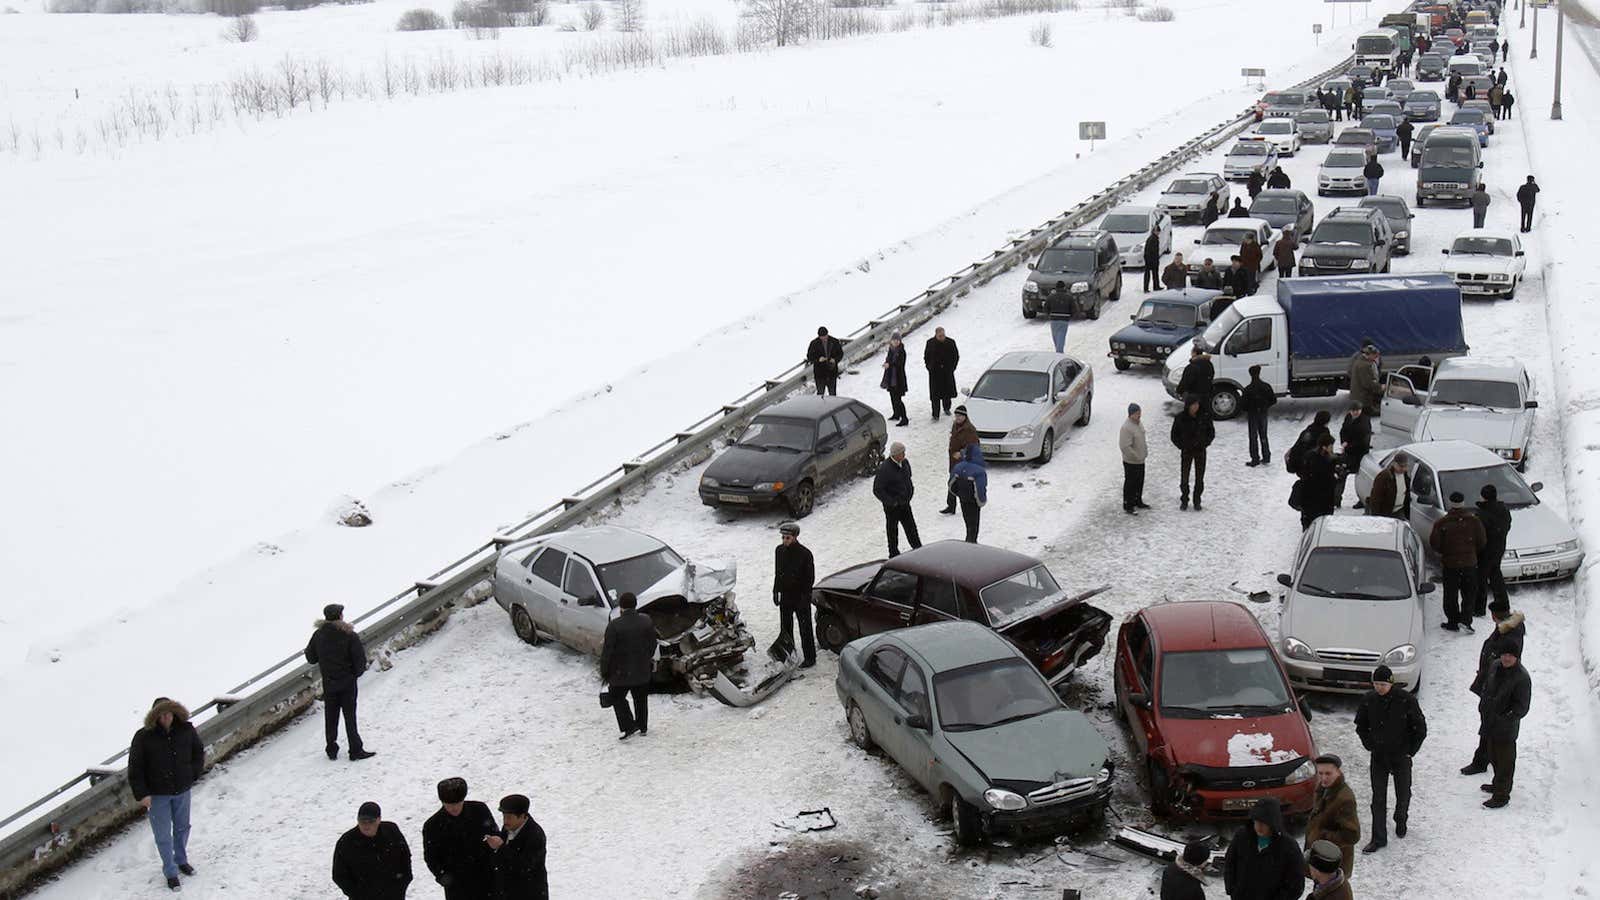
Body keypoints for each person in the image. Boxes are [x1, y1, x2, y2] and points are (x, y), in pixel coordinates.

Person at [129, 697, 205, 892]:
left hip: (182, 790)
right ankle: (170, 872)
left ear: (174, 713)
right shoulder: (143, 737)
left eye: (169, 713)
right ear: (155, 716)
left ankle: (181, 860)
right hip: (157, 795)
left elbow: (198, 752)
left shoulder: (186, 730)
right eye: (161, 715)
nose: (166, 718)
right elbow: (135, 768)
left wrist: (193, 773)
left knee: (182, 827)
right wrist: (142, 794)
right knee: (163, 835)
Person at [1354, 665, 1427, 852]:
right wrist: (1369, 744)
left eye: (1383, 684)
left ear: (1391, 683)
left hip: (1401, 755)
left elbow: (1420, 728)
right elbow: (1361, 726)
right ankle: (1378, 838)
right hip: (1378, 757)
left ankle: (1401, 817)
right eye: (1376, 684)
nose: (1379, 688)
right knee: (1378, 797)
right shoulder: (1369, 700)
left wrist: (1411, 751)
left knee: (1403, 792)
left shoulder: (1406, 700)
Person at [306, 603, 374, 762]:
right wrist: (355, 674)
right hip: (347, 683)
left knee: (331, 717)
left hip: (329, 683)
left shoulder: (318, 635)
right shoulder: (349, 634)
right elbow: (359, 660)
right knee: (350, 717)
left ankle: (331, 749)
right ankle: (355, 750)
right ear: (339, 616)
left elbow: (310, 657)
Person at [1465, 600, 1528, 771]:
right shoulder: (1507, 629)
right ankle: (1485, 761)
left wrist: (1488, 675)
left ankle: (1485, 763)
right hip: (1494, 683)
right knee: (1488, 723)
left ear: (1494, 615)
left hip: (1498, 685)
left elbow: (1498, 659)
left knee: (1490, 724)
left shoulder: (1507, 633)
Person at [1476, 641, 1531, 809]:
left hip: (1506, 728)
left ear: (1516, 657)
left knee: (1505, 761)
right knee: (1493, 756)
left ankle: (1501, 795)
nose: (1506, 658)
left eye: (1510, 655)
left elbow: (1521, 707)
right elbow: (1487, 687)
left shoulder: (1521, 678)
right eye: (1504, 654)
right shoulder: (1495, 666)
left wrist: (1505, 718)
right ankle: (1497, 785)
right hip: (1490, 723)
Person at [423, 778, 498, 900]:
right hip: (458, 886)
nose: (454, 808)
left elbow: (494, 832)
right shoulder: (433, 825)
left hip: (487, 877)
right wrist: (444, 878)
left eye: (458, 803)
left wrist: (495, 841)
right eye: (449, 805)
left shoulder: (479, 810)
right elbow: (431, 857)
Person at [1221, 798, 1305, 900]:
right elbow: (1230, 863)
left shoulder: (1288, 846)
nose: (1259, 826)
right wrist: (1232, 889)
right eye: (1256, 821)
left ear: (1273, 823)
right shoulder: (1242, 836)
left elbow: (1296, 883)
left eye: (1264, 822)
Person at [600, 591, 657, 740]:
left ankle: (628, 726)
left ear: (621, 607)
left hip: (620, 672)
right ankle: (642, 726)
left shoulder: (614, 626)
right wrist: (646, 658)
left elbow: (607, 651)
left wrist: (605, 671)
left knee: (617, 698)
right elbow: (653, 643)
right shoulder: (646, 621)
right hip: (642, 669)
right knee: (640, 699)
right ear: (635, 605)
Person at [332, 802, 413, 900]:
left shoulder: (392, 831)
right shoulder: (346, 842)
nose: (366, 825)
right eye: (362, 821)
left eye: (371, 821)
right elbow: (339, 875)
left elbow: (405, 856)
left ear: (379, 820)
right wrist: (358, 894)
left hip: (394, 894)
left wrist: (403, 882)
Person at [1430, 492, 1486, 631]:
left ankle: (1453, 621)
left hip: (1450, 564)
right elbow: (1482, 541)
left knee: (1450, 594)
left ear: (1450, 503)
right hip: (1469, 563)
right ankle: (1466, 620)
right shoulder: (1474, 521)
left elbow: (1435, 543)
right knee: (1469, 593)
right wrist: (1471, 552)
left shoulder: (1442, 523)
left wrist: (1447, 552)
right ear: (1463, 503)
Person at [1305, 755, 1360, 878]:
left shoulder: (1344, 799)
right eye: (1320, 773)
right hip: (1321, 862)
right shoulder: (1323, 789)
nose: (1323, 778)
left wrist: (1322, 837)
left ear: (1338, 772)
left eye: (1328, 773)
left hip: (1333, 865)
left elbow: (1352, 835)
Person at [772, 521, 817, 668]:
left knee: (805, 628)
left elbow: (809, 578)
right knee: (785, 627)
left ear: (795, 537)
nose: (785, 541)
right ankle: (788, 654)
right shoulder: (779, 551)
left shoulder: (805, 554)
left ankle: (810, 657)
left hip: (800, 597)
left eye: (788, 538)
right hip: (786, 595)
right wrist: (775, 590)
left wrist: (805, 597)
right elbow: (778, 573)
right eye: (783, 538)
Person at [489, 794, 548, 900]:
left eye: (509, 817)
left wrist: (501, 848)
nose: (505, 821)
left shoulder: (535, 835)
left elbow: (525, 867)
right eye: (504, 816)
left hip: (528, 893)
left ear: (522, 816)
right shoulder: (508, 827)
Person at [873, 443, 920, 557]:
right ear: (895, 454)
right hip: (892, 507)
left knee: (911, 528)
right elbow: (877, 489)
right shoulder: (884, 469)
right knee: (892, 530)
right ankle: (893, 553)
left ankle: (918, 549)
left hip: (905, 503)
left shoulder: (905, 463)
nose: (904, 455)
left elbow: (908, 478)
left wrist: (910, 492)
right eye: (902, 453)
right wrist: (891, 502)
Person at [1170, 397, 1214, 512]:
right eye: (1193, 405)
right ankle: (1184, 499)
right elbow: (1174, 435)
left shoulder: (1205, 416)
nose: (1196, 407)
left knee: (1200, 478)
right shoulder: (1180, 418)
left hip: (1200, 450)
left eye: (1197, 404)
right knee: (1184, 478)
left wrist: (1204, 443)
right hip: (1187, 451)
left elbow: (1211, 433)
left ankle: (1197, 500)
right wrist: (1182, 445)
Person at [1476, 484, 1512, 613]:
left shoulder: (1482, 513)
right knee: (1495, 573)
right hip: (1499, 547)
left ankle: (1479, 607)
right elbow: (1507, 526)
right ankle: (1502, 601)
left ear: (1483, 496)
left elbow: (1479, 533)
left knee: (1481, 577)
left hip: (1485, 550)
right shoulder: (1503, 509)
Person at [941, 405, 979, 515]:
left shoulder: (969, 429)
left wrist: (961, 453)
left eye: (960, 416)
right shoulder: (955, 425)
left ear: (965, 417)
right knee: (952, 483)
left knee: (964, 484)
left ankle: (971, 502)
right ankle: (951, 506)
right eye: (956, 416)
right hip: (954, 461)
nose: (957, 418)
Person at [1296, 434, 1340, 530]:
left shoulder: (1310, 456)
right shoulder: (1326, 461)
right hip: (1320, 498)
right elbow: (1327, 479)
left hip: (1310, 498)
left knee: (1310, 523)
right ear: (1324, 447)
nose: (1332, 448)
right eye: (1331, 446)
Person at [949, 444, 987, 543]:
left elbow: (951, 484)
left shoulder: (958, 467)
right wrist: (981, 501)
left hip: (963, 500)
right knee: (974, 526)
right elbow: (980, 488)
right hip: (973, 503)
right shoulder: (980, 471)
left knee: (968, 523)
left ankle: (969, 541)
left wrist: (959, 494)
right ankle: (972, 544)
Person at [1241, 364, 1275, 467]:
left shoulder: (1248, 389)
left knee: (1253, 436)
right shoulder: (1266, 386)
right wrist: (1265, 406)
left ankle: (1255, 458)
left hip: (1252, 414)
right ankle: (1266, 456)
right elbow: (1273, 400)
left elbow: (1243, 405)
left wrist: (1250, 408)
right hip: (1263, 412)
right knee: (1263, 435)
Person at [1338, 405, 1372, 507]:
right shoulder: (1348, 417)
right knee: (1341, 473)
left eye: (1357, 410)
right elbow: (1343, 431)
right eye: (1353, 410)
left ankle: (1363, 500)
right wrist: (1344, 442)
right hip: (1348, 452)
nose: (1355, 412)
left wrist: (1347, 446)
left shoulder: (1364, 422)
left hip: (1360, 454)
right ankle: (1336, 499)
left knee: (1362, 478)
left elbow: (1363, 442)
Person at [923, 327, 959, 421]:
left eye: (943, 335)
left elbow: (956, 356)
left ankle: (947, 408)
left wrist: (952, 367)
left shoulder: (950, 342)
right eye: (940, 336)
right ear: (936, 335)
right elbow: (926, 356)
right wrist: (929, 367)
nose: (942, 337)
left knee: (947, 392)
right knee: (935, 395)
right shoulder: (930, 343)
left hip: (947, 372)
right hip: (935, 373)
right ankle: (935, 414)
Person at [1120, 403, 1149, 515]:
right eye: (1137, 413)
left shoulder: (1138, 423)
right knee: (1130, 483)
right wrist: (1135, 456)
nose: (1139, 414)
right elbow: (1124, 446)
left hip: (1140, 460)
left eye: (1140, 412)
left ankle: (1138, 500)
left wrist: (1144, 452)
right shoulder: (1126, 428)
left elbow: (1142, 438)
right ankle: (1128, 504)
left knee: (1139, 482)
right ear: (1131, 414)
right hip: (1131, 461)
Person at [1365, 453, 1411, 519]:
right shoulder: (1384, 476)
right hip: (1385, 513)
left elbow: (1406, 494)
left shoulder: (1406, 476)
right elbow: (1376, 498)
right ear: (1394, 464)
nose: (1403, 469)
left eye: (1405, 466)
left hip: (1399, 511)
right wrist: (1376, 517)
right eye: (1401, 466)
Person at [1286, 410, 1332, 475]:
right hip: (1312, 468)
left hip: (1300, 466)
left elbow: (1297, 446)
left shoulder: (1307, 430)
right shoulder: (1324, 433)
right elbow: (1326, 451)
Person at [880, 332, 909, 426]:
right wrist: (886, 363)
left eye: (897, 340)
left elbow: (900, 364)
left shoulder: (902, 351)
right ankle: (896, 414)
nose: (896, 342)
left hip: (898, 379)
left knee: (898, 399)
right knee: (892, 397)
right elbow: (888, 359)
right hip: (890, 378)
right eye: (894, 340)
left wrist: (889, 364)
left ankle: (904, 418)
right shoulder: (891, 350)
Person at [806, 326, 844, 397]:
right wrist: (818, 360)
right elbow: (809, 356)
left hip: (832, 372)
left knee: (832, 394)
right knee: (820, 394)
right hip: (820, 373)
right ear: (819, 336)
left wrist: (835, 360)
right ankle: (821, 407)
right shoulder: (814, 343)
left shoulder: (834, 341)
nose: (824, 338)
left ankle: (833, 407)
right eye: (822, 337)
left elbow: (840, 353)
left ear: (827, 334)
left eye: (825, 336)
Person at [1347, 344, 1381, 416]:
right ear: (1370, 354)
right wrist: (1380, 387)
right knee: (1364, 418)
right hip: (1363, 399)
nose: (1376, 358)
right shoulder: (1364, 365)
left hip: (1359, 397)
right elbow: (1367, 383)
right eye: (1375, 356)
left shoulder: (1359, 361)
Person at [1044, 280, 1074, 352]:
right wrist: (1070, 316)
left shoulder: (1051, 297)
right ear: (1064, 287)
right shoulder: (1069, 297)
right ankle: (1059, 352)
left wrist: (1049, 315)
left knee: (1055, 337)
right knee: (1061, 336)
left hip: (1054, 320)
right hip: (1064, 320)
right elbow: (1074, 309)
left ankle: (1058, 351)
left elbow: (1045, 307)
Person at [1143, 228, 1164, 292]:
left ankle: (1155, 286)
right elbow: (1152, 250)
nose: (1158, 233)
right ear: (1155, 231)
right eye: (1157, 231)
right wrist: (1153, 259)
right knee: (1151, 273)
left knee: (1153, 273)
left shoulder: (1152, 238)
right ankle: (1150, 287)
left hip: (1150, 258)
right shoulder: (1153, 239)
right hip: (1151, 259)